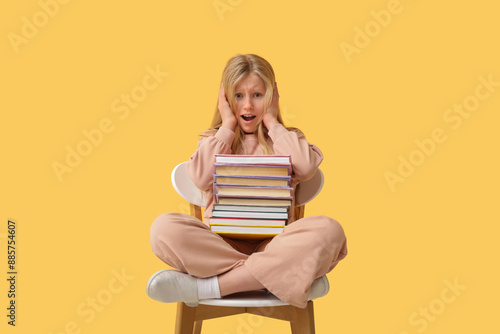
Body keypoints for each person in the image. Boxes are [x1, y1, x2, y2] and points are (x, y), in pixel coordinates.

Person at [148, 54, 347, 309]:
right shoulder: (215, 139)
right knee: (163, 228)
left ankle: (208, 287)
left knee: (330, 231)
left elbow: (307, 168)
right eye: (238, 96)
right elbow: (199, 177)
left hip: (276, 246)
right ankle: (286, 278)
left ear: (272, 97)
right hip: (220, 246)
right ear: (226, 100)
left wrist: (273, 123)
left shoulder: (286, 138)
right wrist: (227, 126)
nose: (248, 106)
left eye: (257, 95)